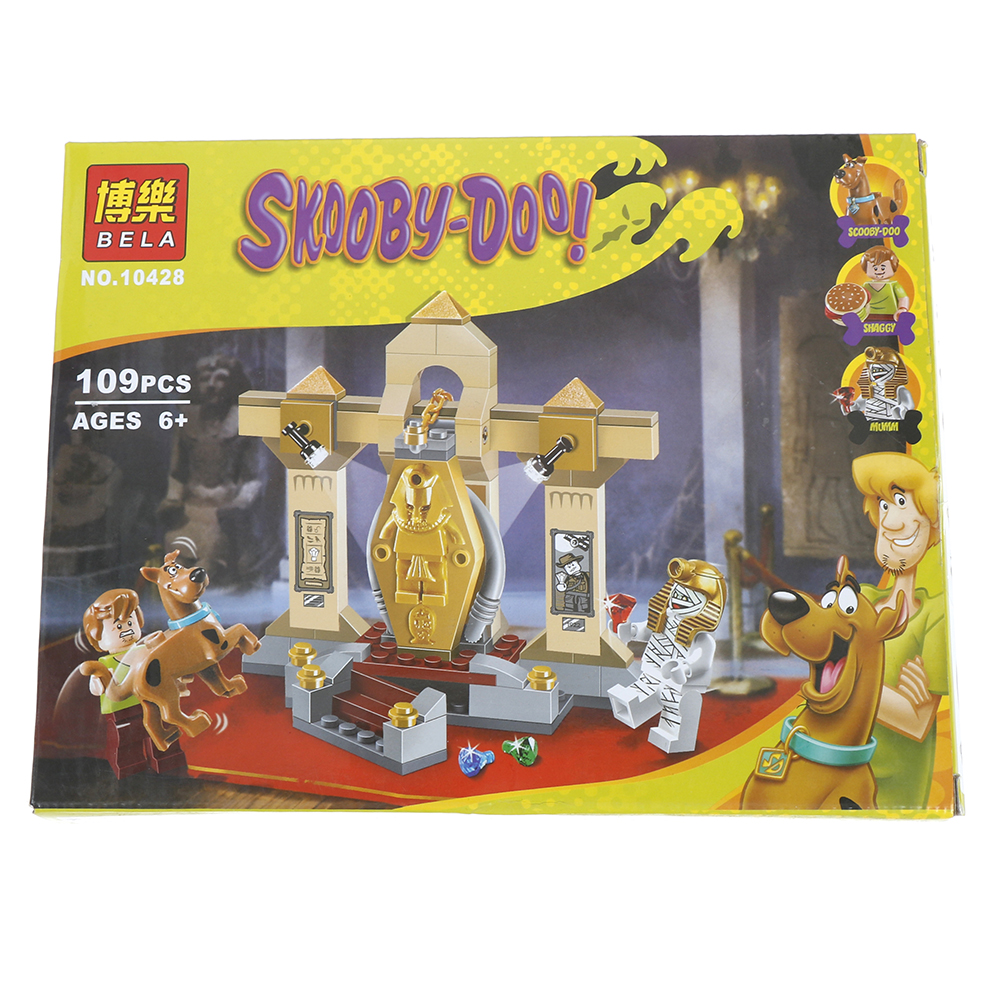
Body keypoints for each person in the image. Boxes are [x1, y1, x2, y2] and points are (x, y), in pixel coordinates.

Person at [851, 453, 947, 809]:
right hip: (841, 770)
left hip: (895, 792)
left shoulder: (935, 615)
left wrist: (852, 679)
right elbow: (822, 674)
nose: (891, 522)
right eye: (885, 505)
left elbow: (917, 722)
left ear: (932, 525)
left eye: (903, 503)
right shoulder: (862, 599)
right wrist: (893, 698)